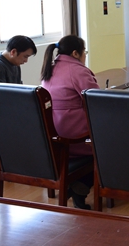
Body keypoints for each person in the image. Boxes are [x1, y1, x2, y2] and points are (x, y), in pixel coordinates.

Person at [41, 35, 99, 210]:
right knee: (111, 145)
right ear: (75, 53)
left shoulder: (49, 69)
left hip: (53, 136)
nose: (85, 55)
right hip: (74, 138)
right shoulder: (78, 71)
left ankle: (74, 184)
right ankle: (81, 186)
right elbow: (97, 102)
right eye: (84, 52)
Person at [0, 35, 37, 133]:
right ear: (13, 52)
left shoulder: (15, 65)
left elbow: (19, 93)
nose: (26, 61)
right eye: (25, 56)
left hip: (6, 110)